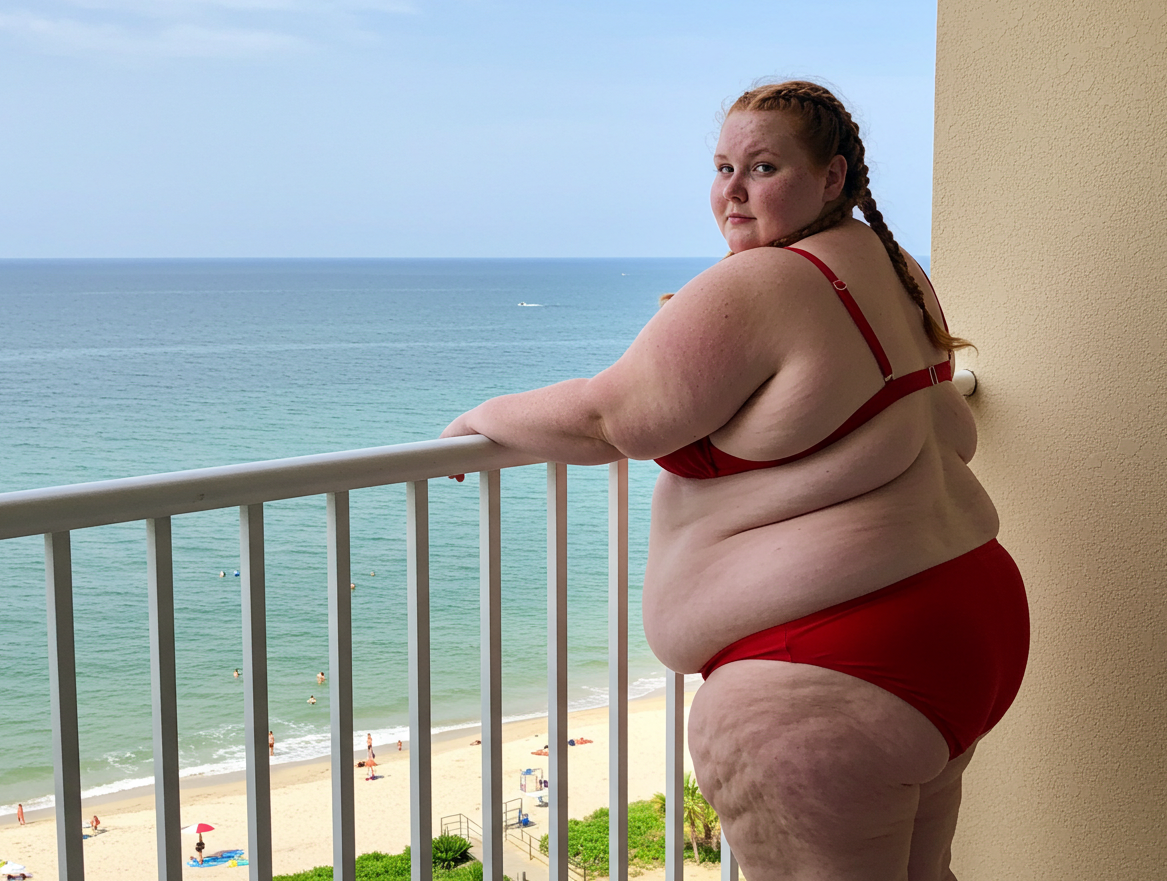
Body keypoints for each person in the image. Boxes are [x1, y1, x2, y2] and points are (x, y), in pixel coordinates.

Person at [441, 80, 1029, 881]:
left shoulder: (761, 284)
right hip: (965, 618)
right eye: (723, 168)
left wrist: (481, 416)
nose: (734, 191)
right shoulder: (896, 266)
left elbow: (606, 419)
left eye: (763, 167)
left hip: (827, 673)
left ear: (832, 177)